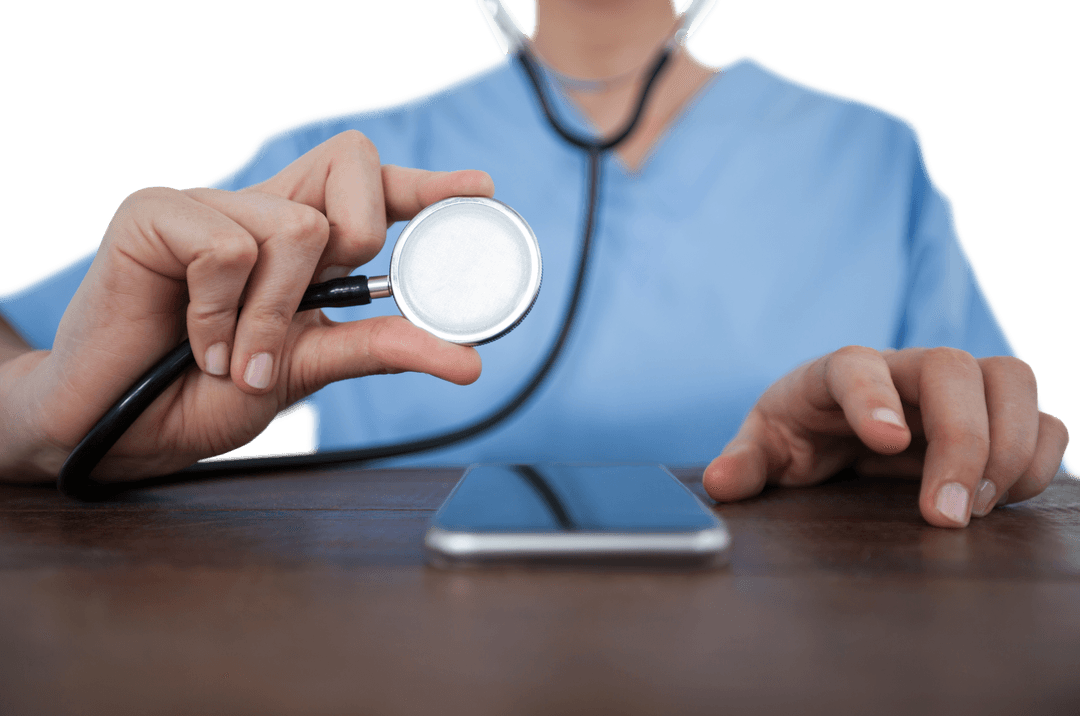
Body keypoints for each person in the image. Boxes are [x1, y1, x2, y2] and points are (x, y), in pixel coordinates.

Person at [0, 0, 1071, 529]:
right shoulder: (327, 169)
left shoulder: (872, 154)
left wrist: (946, 448)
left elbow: (1010, 467)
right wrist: (41, 414)